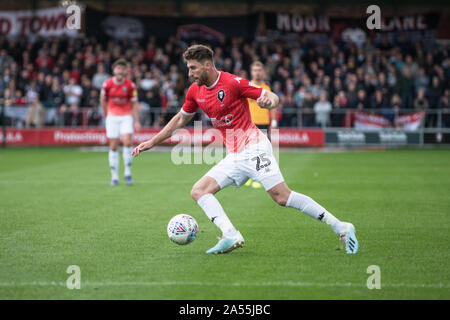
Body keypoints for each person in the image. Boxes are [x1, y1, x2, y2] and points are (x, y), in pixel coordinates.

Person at [132, 44, 358, 254]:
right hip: (236, 155)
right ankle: (230, 235)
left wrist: (270, 100)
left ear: (207, 65)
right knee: (199, 191)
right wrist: (152, 141)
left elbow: (272, 97)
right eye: (188, 68)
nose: (189, 73)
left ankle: (341, 226)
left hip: (254, 147)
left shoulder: (232, 82)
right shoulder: (195, 91)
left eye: (193, 68)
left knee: (282, 197)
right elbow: (181, 118)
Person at [100, 58, 141, 186]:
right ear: (114, 70)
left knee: (127, 142)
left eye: (122, 69)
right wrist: (107, 114)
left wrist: (137, 121)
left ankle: (127, 173)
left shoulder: (130, 85)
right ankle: (114, 177)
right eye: (118, 68)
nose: (120, 71)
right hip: (112, 117)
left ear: (125, 71)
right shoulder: (107, 84)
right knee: (113, 146)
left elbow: (134, 103)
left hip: (126, 116)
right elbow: (102, 99)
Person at [244, 61, 277, 189]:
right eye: (255, 70)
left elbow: (273, 106)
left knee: (261, 152)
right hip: (249, 123)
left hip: (263, 123)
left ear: (263, 72)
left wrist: (273, 122)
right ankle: (249, 176)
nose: (257, 72)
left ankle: (260, 178)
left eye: (259, 70)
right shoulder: (247, 86)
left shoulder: (266, 88)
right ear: (251, 72)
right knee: (248, 151)